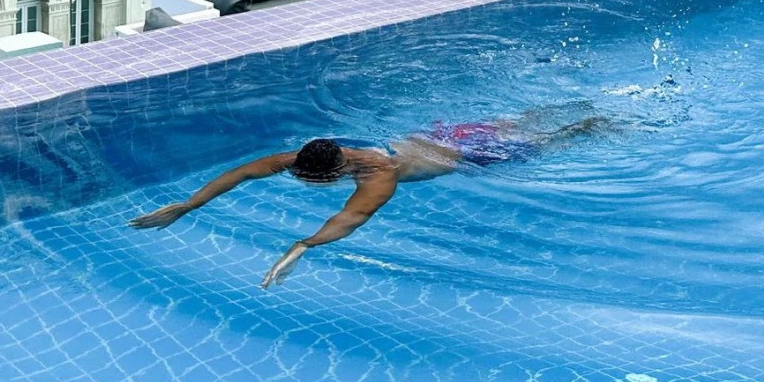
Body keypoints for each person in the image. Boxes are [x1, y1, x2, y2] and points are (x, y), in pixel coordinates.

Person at [130, 108, 614, 286]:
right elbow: (241, 172)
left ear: (335, 167)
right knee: (519, 119)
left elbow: (350, 219)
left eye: (310, 179)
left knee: (549, 141)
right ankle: (575, 110)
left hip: (470, 154)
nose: (300, 178)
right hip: (444, 132)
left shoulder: (379, 175)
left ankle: (592, 124)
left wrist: (301, 246)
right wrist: (189, 205)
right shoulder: (314, 153)